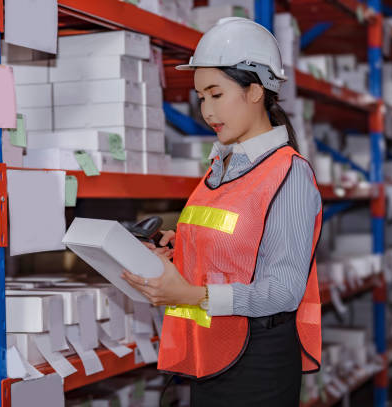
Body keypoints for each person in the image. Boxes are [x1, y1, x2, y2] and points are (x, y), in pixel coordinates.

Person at [122, 17, 322, 406]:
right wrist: (178, 246)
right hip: (212, 353)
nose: (207, 111)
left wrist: (193, 294)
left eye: (216, 94)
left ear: (255, 90)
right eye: (201, 97)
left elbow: (283, 290)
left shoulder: (290, 174)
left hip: (257, 365)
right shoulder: (222, 167)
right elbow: (238, 245)